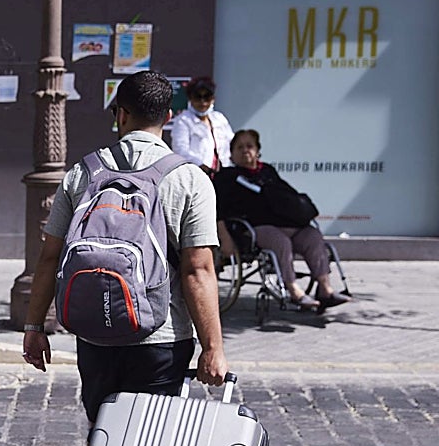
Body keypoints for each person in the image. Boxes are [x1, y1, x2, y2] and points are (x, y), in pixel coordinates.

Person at [22, 71, 228, 422]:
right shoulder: (189, 179)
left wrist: (34, 327)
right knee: (150, 440)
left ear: (120, 113)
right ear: (168, 116)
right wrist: (213, 347)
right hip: (161, 337)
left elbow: (50, 258)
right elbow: (198, 270)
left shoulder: (82, 173)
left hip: (95, 334)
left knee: (103, 432)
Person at [214, 129, 350, 311]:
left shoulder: (267, 172)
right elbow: (218, 210)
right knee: (280, 241)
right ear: (231, 154)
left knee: (313, 236)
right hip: (255, 228)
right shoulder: (227, 177)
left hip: (289, 224)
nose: (245, 150)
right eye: (239, 147)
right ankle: (294, 290)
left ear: (257, 151)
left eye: (249, 146)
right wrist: (225, 239)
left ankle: (325, 289)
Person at [170, 76, 234, 176]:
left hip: (224, 174)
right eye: (197, 97)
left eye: (207, 97)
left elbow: (232, 143)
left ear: (213, 98)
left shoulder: (220, 119)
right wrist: (200, 165)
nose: (203, 102)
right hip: (196, 174)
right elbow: (180, 150)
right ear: (190, 99)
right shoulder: (183, 121)